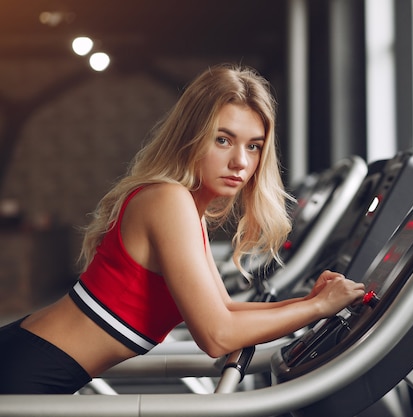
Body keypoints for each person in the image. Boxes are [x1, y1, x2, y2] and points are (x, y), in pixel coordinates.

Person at [0, 64, 365, 394]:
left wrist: (308, 302)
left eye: (253, 147)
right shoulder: (168, 201)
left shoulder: (186, 207)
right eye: (223, 140)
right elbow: (216, 336)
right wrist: (318, 308)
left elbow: (224, 310)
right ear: (191, 137)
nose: (240, 161)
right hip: (26, 369)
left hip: (32, 360)